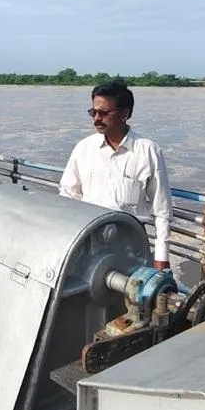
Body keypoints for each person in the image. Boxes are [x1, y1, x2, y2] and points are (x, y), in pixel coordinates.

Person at [59, 79, 173, 270]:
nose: (96, 118)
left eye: (103, 113)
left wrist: (162, 257)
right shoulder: (84, 148)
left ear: (124, 114)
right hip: (88, 242)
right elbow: (69, 194)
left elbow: (161, 209)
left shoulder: (148, 151)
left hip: (130, 246)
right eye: (93, 112)